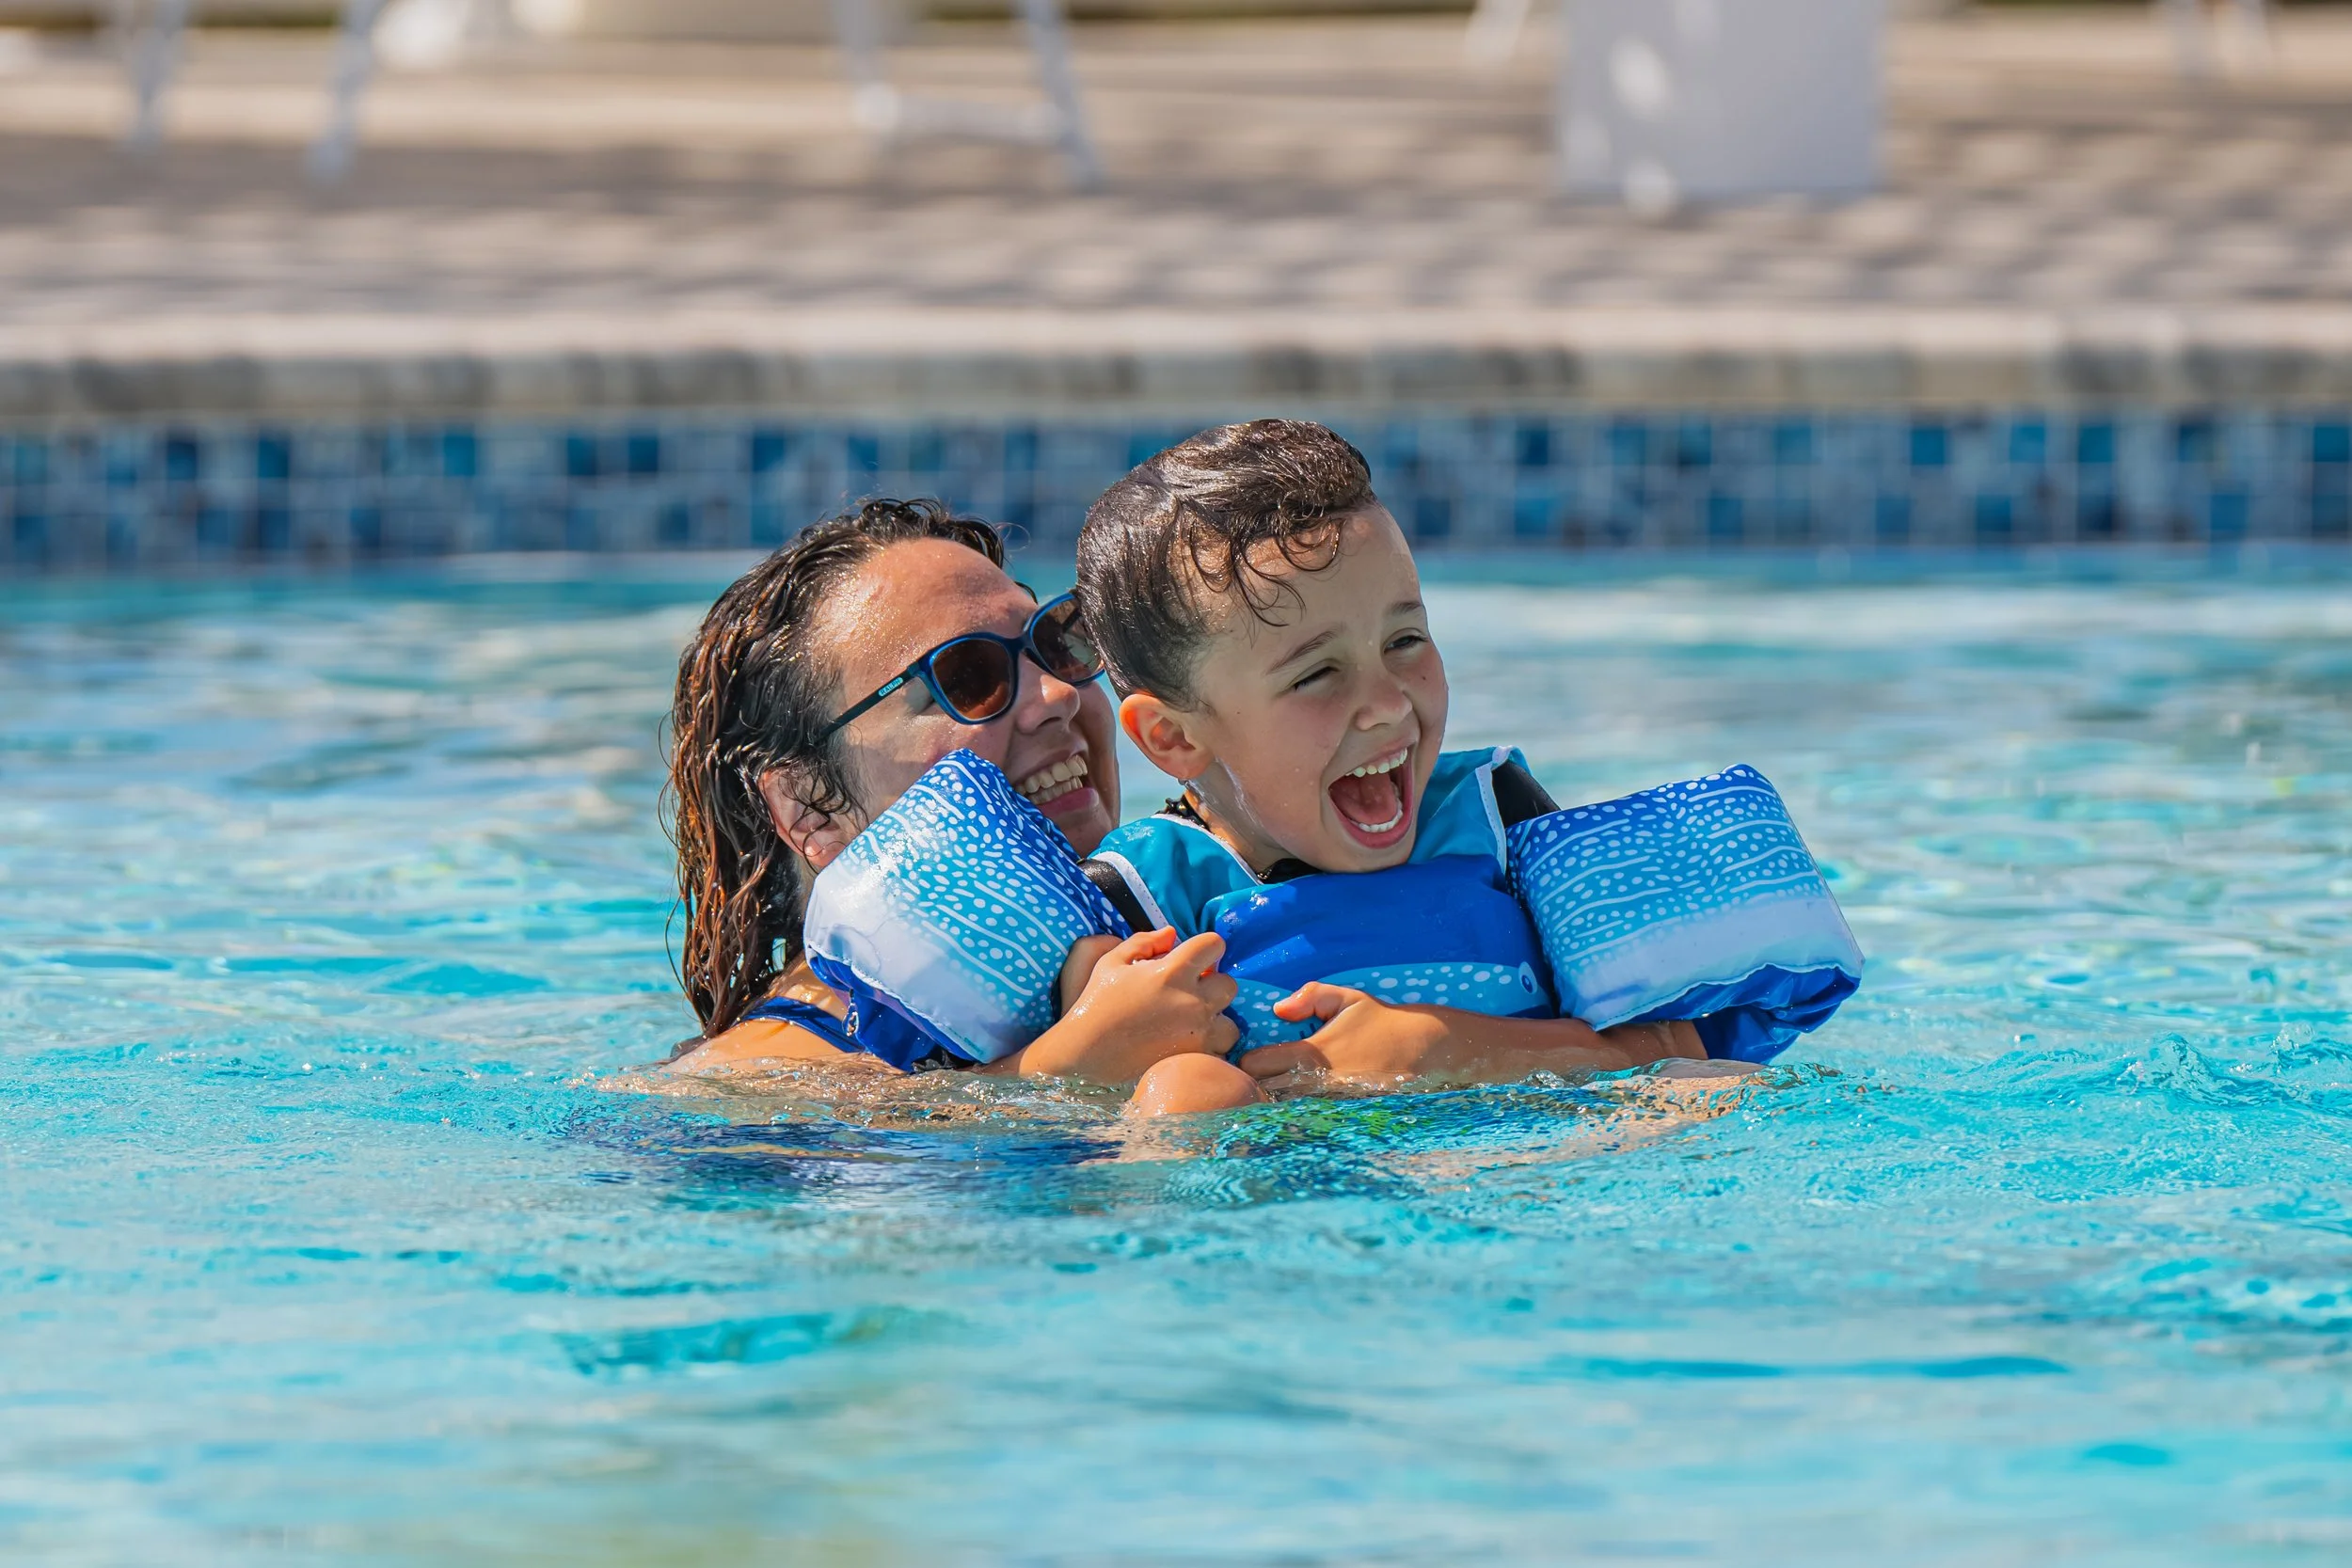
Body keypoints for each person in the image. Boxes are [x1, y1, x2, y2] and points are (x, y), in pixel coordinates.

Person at [1072, 420, 1716, 1114]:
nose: (1385, 704)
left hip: (1521, 1165)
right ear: (1171, 737)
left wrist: (1454, 1049)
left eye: (1405, 638)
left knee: (1716, 1086)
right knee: (1187, 1092)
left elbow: (1674, 1041)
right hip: (1295, 1184)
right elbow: (1045, 1106)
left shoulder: (1501, 817)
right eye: (1317, 674)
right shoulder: (1144, 898)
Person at [662, 497, 1249, 1114]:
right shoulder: (749, 1084)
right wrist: (1064, 1071)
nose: (1058, 694)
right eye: (968, 677)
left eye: (1056, 644)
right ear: (808, 806)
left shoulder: (1183, 933)